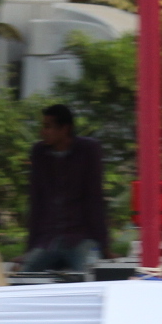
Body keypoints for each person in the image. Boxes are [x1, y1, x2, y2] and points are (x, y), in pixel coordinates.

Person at [21, 104, 107, 273]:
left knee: (91, 275)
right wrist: (29, 248)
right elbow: (36, 201)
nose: (43, 132)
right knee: (25, 274)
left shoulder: (87, 150)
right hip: (48, 239)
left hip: (81, 237)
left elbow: (95, 199)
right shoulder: (40, 152)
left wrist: (104, 246)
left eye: (48, 127)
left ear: (65, 129)